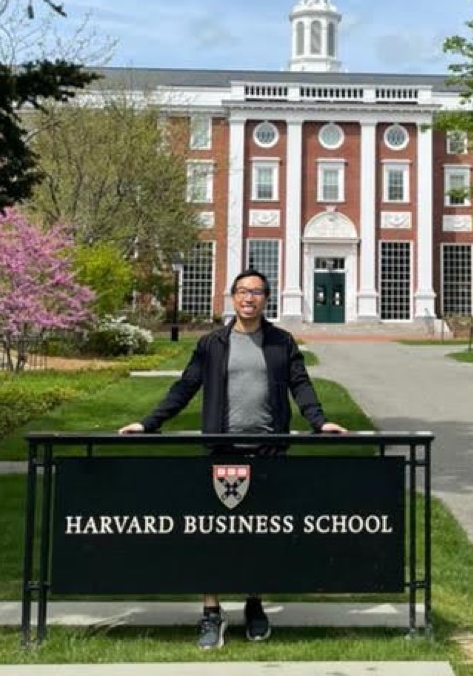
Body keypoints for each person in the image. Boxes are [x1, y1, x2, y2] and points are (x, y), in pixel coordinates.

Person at [119, 268, 346, 648]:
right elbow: (186, 385)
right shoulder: (213, 344)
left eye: (256, 292)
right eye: (242, 291)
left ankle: (254, 605)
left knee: (260, 534)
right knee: (212, 536)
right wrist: (148, 423)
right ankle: (211, 612)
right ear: (232, 297)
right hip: (221, 450)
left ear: (266, 299)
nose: (249, 298)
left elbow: (300, 384)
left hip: (268, 451)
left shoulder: (281, 342)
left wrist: (319, 423)